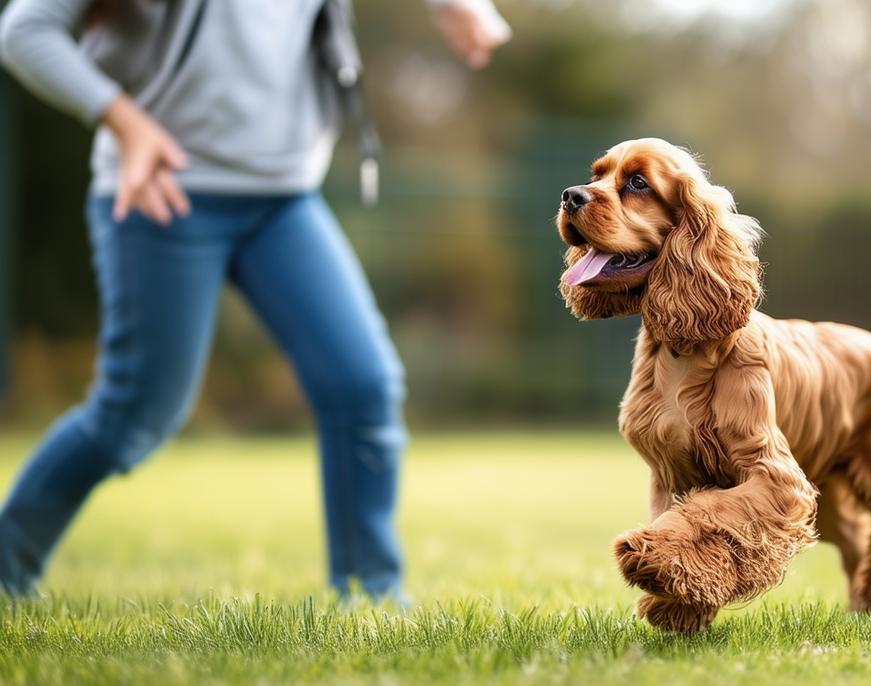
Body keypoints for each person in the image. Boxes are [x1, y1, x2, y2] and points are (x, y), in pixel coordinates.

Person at [0, 0, 510, 603]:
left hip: (283, 198)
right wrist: (124, 121)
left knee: (361, 385)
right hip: (163, 187)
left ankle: (370, 596)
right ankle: (7, 566)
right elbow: (24, 31)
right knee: (133, 415)